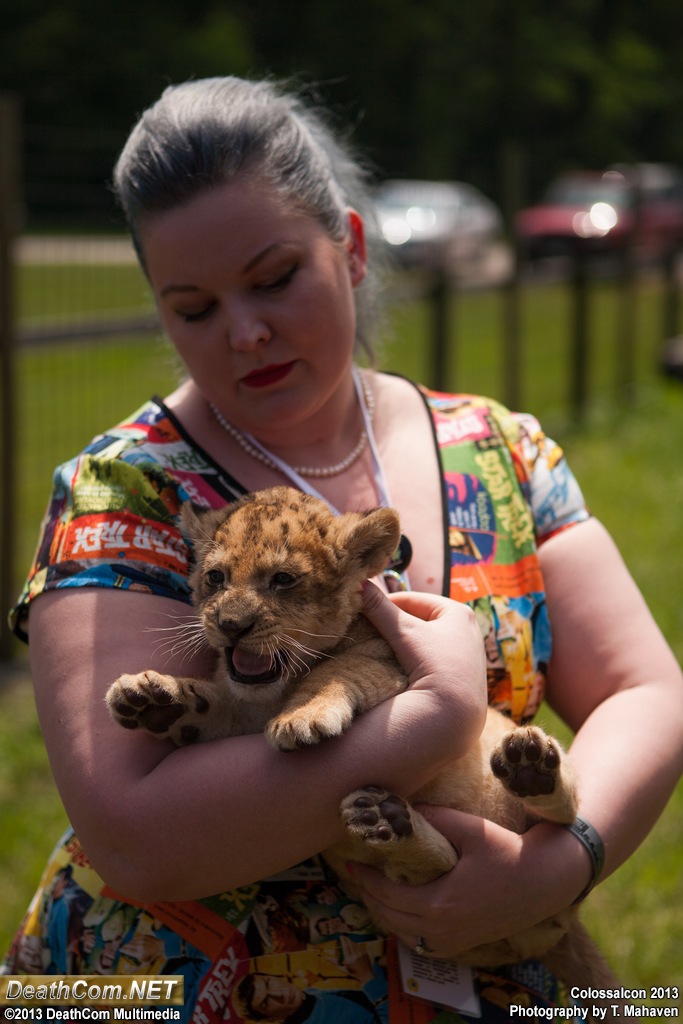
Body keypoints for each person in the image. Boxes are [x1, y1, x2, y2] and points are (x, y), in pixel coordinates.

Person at [3, 76, 683, 1023]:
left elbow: (642, 690)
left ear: (351, 249)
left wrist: (558, 865)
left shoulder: (496, 451)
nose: (245, 331)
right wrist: (436, 717)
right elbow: (133, 838)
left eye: (275, 277)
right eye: (192, 307)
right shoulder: (126, 490)